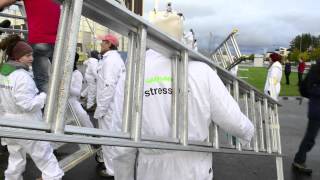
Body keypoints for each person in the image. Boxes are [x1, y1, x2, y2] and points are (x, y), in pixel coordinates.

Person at [111, 9, 254, 180]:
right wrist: (247, 133)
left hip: (150, 170)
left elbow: (121, 136)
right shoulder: (202, 71)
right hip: (194, 168)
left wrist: (123, 176)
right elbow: (231, 118)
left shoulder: (133, 72)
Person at [0, 34, 64, 180]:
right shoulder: (21, 76)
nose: (31, 58)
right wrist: (44, 96)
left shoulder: (3, 73)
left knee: (16, 159)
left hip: (9, 124)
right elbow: (27, 105)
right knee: (46, 160)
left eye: (32, 55)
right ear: (17, 57)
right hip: (28, 124)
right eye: (27, 55)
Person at [0, 0, 61, 93]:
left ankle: (50, 106)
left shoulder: (8, 69)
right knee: (61, 79)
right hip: (61, 39)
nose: (31, 59)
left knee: (43, 80)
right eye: (28, 55)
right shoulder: (18, 71)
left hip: (39, 39)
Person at [94, 34, 125, 177]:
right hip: (112, 105)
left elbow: (108, 86)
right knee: (113, 138)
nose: (101, 44)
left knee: (108, 139)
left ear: (109, 44)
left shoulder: (110, 61)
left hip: (109, 107)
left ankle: (111, 170)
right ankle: (114, 168)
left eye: (103, 42)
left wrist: (101, 109)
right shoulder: (112, 59)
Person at [292, 60, 320, 175]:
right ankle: (299, 160)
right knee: (310, 138)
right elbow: (309, 88)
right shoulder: (316, 70)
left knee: (310, 137)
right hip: (317, 109)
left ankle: (299, 159)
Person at [68, 52, 94, 128]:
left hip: (72, 103)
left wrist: (67, 87)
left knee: (83, 118)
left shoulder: (77, 74)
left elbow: (77, 92)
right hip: (60, 104)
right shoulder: (60, 71)